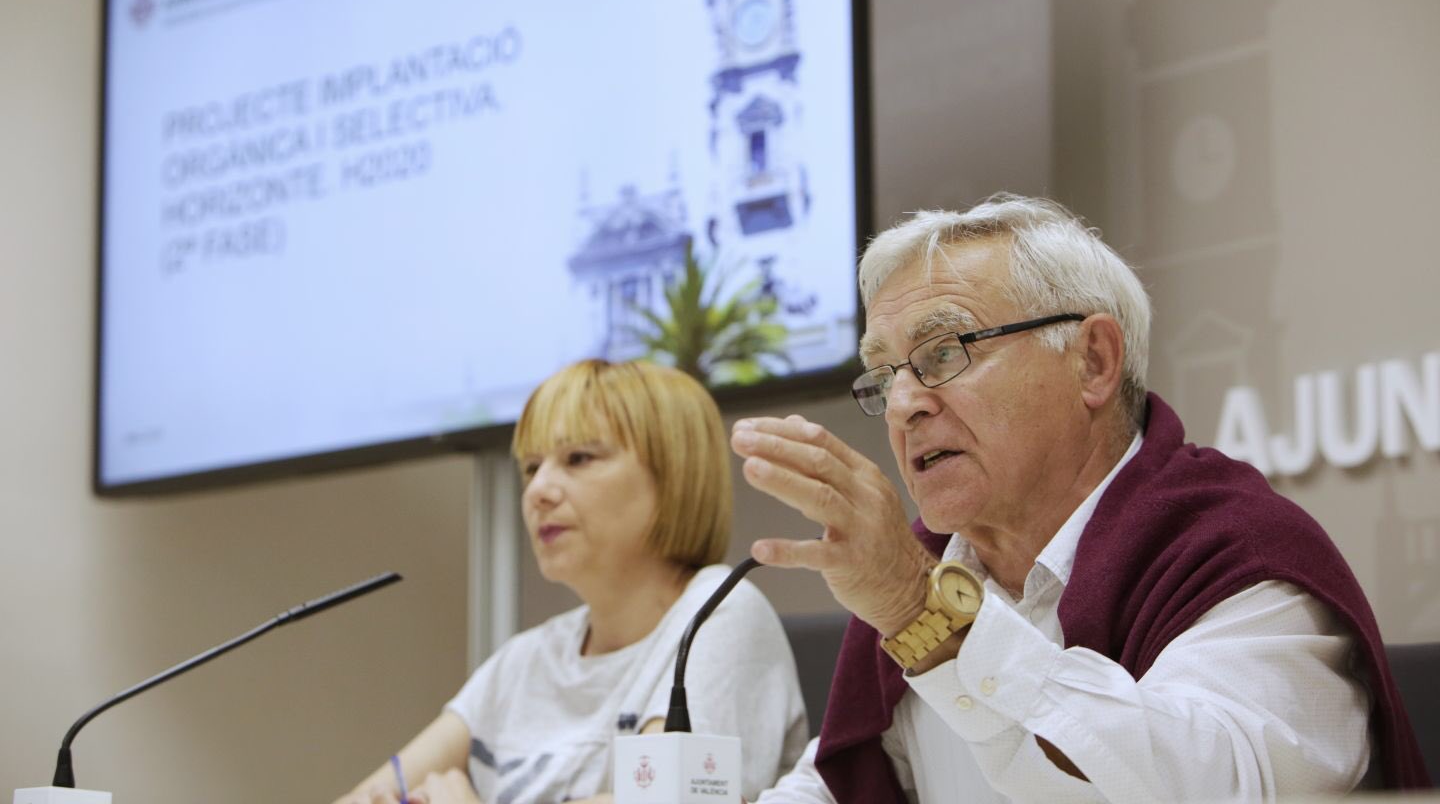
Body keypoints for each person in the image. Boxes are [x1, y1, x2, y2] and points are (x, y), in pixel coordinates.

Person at [731, 194, 1430, 803]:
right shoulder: (933, 568)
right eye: (883, 376)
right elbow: (836, 783)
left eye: (943, 352)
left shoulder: (1234, 552)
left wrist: (927, 614)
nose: (904, 404)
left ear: (1093, 361)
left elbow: (1211, 787)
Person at [335, 359, 809, 804]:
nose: (539, 491)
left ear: (673, 478)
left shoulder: (719, 610)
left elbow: (665, 800)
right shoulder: (524, 660)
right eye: (531, 467)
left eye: (578, 458)